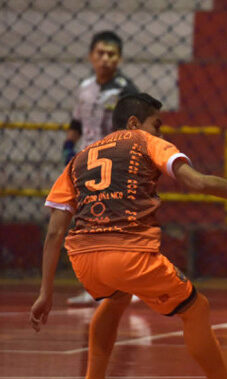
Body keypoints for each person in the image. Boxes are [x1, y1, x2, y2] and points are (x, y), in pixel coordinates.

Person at [30, 92, 227, 379]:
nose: (161, 132)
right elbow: (198, 183)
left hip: (83, 258)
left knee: (116, 297)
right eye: (157, 124)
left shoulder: (79, 159)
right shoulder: (145, 141)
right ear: (134, 123)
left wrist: (45, 292)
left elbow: (55, 231)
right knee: (196, 308)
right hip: (128, 254)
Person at [62, 30, 139, 305]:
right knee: (89, 224)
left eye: (111, 54)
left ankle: (126, 284)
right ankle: (98, 285)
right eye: (101, 53)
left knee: (115, 224)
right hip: (86, 165)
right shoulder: (85, 88)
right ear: (91, 56)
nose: (105, 59)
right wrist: (68, 148)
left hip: (113, 165)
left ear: (119, 59)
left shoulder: (126, 91)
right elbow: (76, 123)